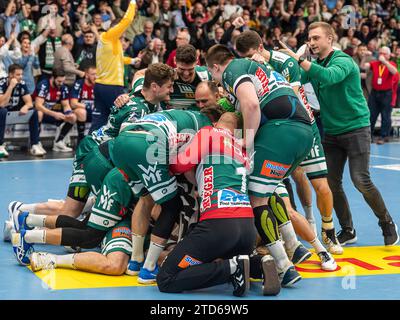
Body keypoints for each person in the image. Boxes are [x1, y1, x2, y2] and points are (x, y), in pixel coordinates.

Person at [281, 21, 399, 246]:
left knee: (360, 180)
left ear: (330, 39)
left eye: (316, 38)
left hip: (356, 128)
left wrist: (302, 60)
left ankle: (387, 223)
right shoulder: (314, 64)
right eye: (310, 38)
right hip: (332, 131)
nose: (312, 42)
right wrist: (287, 60)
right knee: (332, 184)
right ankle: (348, 229)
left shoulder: (343, 60)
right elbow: (297, 79)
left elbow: (328, 77)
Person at [205, 44, 314, 285]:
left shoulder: (233, 69)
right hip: (303, 132)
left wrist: (247, 139)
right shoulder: (258, 69)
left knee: (256, 197)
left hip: (281, 129)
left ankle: (285, 267)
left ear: (215, 66)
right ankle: (295, 247)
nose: (217, 82)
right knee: (269, 188)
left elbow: (251, 105)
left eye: (213, 75)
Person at [234, 30, 343, 256]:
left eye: (250, 55)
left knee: (316, 182)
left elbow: (290, 100)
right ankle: (290, 238)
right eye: (243, 57)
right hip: (278, 130)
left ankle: (323, 228)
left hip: (302, 124)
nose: (247, 60)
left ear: (261, 47)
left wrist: (266, 68)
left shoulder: (284, 61)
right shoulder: (249, 67)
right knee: (280, 184)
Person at [113, 107, 223, 284]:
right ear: (215, 123)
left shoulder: (181, 114)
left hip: (120, 143)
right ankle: (148, 269)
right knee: (172, 206)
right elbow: (186, 166)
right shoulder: (206, 128)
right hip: (146, 145)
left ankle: (135, 262)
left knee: (145, 199)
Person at [157, 112, 256, 297]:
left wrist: (168, 155)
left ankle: (232, 267)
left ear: (216, 122)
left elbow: (179, 165)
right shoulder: (244, 149)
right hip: (247, 229)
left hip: (219, 225)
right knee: (226, 257)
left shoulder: (209, 133)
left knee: (166, 278)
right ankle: (256, 264)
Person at [91, 0, 139, 132]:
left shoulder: (109, 41)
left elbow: (119, 59)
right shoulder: (110, 36)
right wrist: (133, 3)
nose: (124, 32)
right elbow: (127, 19)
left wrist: (133, 61)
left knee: (99, 121)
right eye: (121, 29)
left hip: (101, 85)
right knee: (122, 118)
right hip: (111, 86)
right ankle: (120, 149)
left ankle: (86, 151)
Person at [0, 64, 45, 157]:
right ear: (10, 75)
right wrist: (11, 87)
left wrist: (26, 106)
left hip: (15, 113)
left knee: (34, 112)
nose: (21, 77)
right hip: (3, 113)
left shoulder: (22, 83)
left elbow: (29, 102)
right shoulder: (1, 83)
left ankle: (34, 145)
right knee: (2, 110)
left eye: (21, 74)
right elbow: (2, 104)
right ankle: (0, 145)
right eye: (18, 75)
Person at [33, 68, 77, 152]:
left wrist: (69, 113)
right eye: (59, 81)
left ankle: (58, 142)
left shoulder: (63, 87)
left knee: (73, 117)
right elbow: (38, 105)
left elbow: (66, 105)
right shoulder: (44, 85)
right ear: (53, 78)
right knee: (39, 113)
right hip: (43, 113)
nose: (61, 84)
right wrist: (54, 114)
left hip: (53, 113)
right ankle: (36, 142)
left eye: (62, 81)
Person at [363, 46, 399, 144]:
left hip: (387, 93)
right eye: (380, 53)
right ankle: (368, 136)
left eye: (384, 53)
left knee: (385, 115)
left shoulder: (391, 63)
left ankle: (384, 136)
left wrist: (385, 62)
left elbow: (395, 72)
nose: (381, 55)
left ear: (388, 55)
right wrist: (364, 57)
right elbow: (364, 66)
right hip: (375, 93)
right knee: (371, 115)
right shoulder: (375, 63)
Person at [70, 66, 96, 144]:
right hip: (85, 112)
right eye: (93, 74)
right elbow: (73, 103)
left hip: (95, 113)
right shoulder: (79, 83)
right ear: (87, 75)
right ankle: (80, 139)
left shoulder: (98, 85)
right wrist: (88, 107)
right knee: (81, 111)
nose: (96, 77)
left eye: (97, 74)